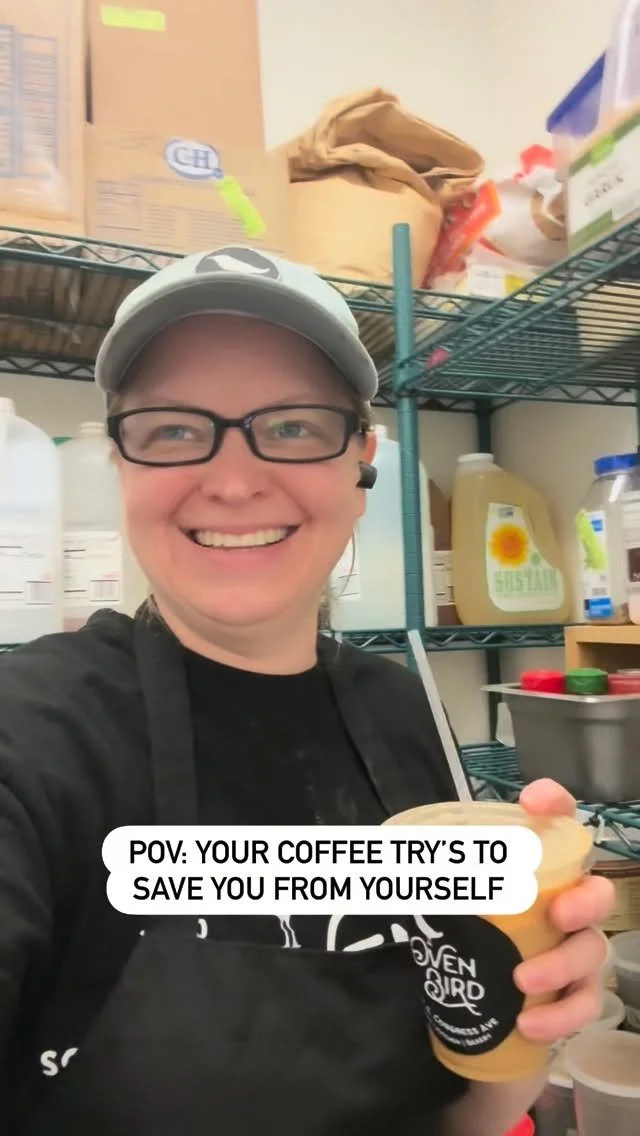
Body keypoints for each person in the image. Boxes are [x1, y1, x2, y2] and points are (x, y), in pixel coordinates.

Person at [0, 245, 613, 1135]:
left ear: (361, 466)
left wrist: (526, 1022)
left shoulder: (404, 713)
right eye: (173, 428)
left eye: (292, 426)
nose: (235, 481)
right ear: (122, 465)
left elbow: (461, 1115)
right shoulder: (28, 734)